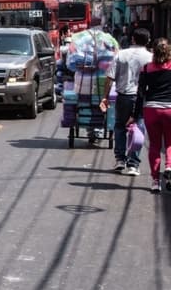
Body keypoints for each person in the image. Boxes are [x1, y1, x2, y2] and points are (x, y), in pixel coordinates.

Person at [101, 28, 151, 176]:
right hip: (142, 98)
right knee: (139, 129)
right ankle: (133, 164)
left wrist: (105, 97)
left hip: (123, 97)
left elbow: (109, 78)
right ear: (147, 41)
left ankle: (120, 160)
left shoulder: (121, 55)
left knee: (120, 127)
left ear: (133, 39)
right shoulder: (150, 57)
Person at [65, 17, 120, 146]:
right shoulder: (109, 38)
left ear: (89, 25)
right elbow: (117, 57)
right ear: (101, 25)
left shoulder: (78, 37)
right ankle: (97, 130)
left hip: (82, 83)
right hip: (103, 83)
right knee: (101, 104)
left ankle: (91, 131)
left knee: (84, 105)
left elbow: (70, 63)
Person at [133, 37, 171, 193]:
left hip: (151, 110)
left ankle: (155, 182)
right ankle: (169, 166)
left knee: (154, 145)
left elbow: (140, 93)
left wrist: (135, 115)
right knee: (170, 143)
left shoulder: (146, 68)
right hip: (170, 109)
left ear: (152, 51)